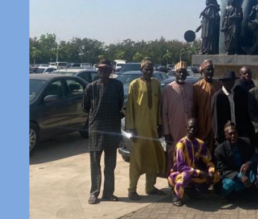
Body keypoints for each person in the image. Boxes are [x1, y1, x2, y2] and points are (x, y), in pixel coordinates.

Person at [83, 58, 125, 205]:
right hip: (95, 130)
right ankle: (94, 193)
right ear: (98, 71)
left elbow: (120, 106)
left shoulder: (117, 86)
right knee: (95, 164)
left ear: (111, 71)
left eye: (107, 70)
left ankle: (108, 193)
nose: (104, 72)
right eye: (101, 69)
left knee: (110, 165)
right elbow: (86, 107)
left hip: (112, 129)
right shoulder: (91, 87)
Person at [124, 60, 166, 200]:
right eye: (147, 69)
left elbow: (159, 106)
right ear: (142, 69)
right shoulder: (134, 84)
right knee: (137, 160)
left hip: (153, 129)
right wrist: (131, 128)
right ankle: (132, 189)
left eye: (151, 69)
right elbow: (129, 107)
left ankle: (150, 187)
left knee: (152, 158)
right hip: (139, 129)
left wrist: (160, 125)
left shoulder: (156, 84)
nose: (149, 71)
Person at [167, 118, 220, 207]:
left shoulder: (200, 143)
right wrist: (199, 172)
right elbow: (181, 167)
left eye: (195, 128)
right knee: (186, 176)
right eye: (190, 127)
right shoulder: (181, 144)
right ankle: (177, 195)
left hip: (193, 173)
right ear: (186, 128)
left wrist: (210, 172)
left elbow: (209, 161)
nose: (192, 129)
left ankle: (190, 189)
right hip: (178, 174)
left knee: (216, 175)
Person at [162, 61, 194, 171]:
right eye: (179, 72)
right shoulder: (168, 89)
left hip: (188, 129)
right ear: (175, 74)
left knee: (188, 153)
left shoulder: (190, 87)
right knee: (173, 154)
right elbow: (164, 112)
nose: (181, 75)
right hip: (174, 129)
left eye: (184, 72)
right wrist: (166, 132)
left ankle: (186, 181)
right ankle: (173, 182)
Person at [214, 121, 258, 200]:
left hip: (246, 173)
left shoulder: (246, 142)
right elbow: (223, 170)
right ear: (225, 135)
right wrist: (240, 176)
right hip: (232, 176)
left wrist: (248, 163)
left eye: (235, 133)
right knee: (229, 185)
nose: (233, 136)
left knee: (257, 174)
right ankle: (239, 193)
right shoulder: (219, 150)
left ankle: (248, 192)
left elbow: (257, 154)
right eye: (230, 134)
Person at [193, 59, 221, 150]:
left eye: (211, 69)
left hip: (215, 122)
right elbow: (194, 107)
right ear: (203, 71)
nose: (210, 72)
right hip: (202, 122)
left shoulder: (219, 85)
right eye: (207, 69)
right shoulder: (197, 86)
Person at [211, 71, 238, 145]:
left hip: (233, 133)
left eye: (233, 81)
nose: (231, 83)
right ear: (224, 82)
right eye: (229, 81)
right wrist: (217, 137)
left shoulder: (233, 94)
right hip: (222, 135)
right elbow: (215, 119)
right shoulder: (218, 96)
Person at [232, 66, 254, 139]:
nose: (247, 75)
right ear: (240, 75)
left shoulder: (251, 84)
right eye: (245, 73)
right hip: (242, 122)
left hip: (252, 120)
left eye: (249, 73)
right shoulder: (238, 88)